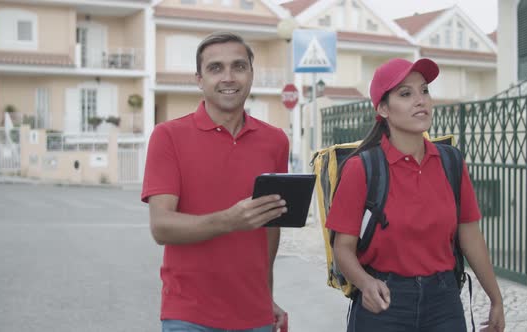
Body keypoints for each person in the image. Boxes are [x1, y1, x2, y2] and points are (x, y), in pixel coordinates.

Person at [325, 58, 505, 332]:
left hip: (444, 302)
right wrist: (365, 283)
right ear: (383, 108)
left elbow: (470, 235)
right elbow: (343, 249)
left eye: (424, 91)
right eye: (406, 94)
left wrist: (496, 298)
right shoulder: (361, 168)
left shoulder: (451, 162)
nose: (420, 100)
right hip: (384, 304)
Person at [141, 32, 289, 332]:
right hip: (188, 315)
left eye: (238, 66)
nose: (229, 77)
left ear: (251, 73)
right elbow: (161, 227)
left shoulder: (275, 141)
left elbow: (270, 229)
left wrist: (267, 295)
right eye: (215, 68)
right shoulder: (168, 136)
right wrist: (229, 220)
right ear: (199, 79)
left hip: (255, 315)